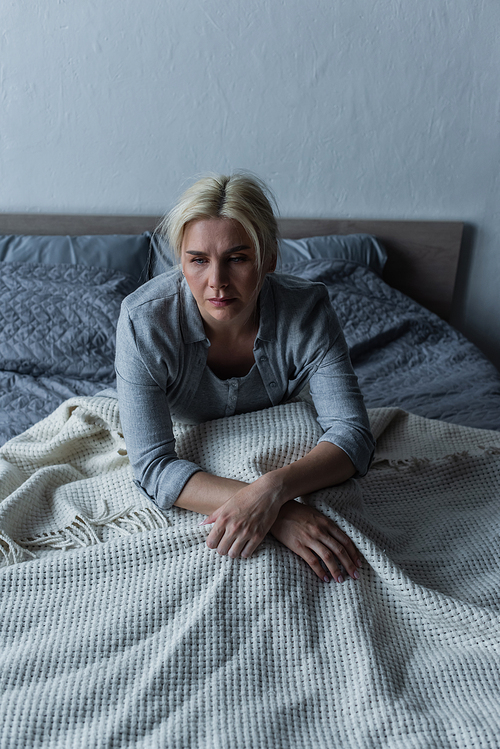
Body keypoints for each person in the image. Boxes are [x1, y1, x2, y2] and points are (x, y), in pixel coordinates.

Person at [115, 173, 375, 584]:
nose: (216, 281)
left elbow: (353, 435)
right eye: (198, 260)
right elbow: (152, 465)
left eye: (238, 258)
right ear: (180, 261)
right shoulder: (143, 322)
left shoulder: (307, 311)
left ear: (269, 257)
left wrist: (271, 490)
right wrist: (280, 514)